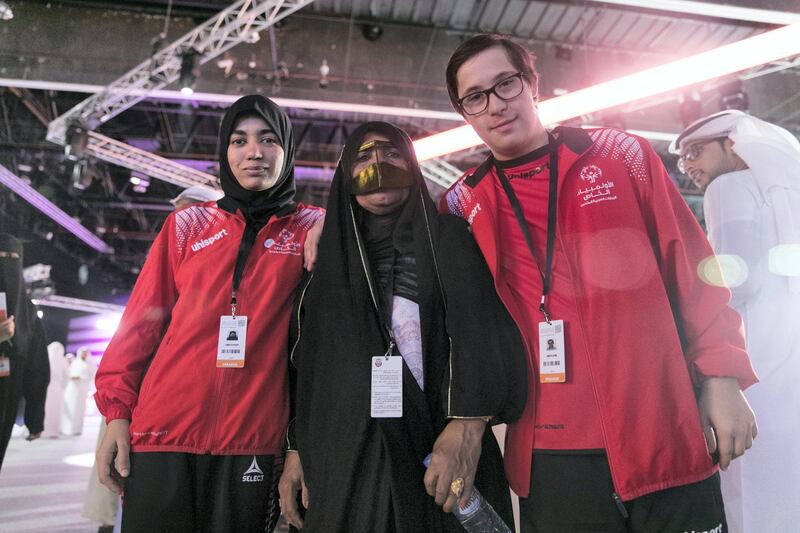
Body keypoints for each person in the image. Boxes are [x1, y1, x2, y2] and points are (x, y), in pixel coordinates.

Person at [439, 34, 759, 532]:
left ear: (532, 85)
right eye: (476, 97)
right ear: (465, 113)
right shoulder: (462, 205)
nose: (496, 105)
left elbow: (695, 269)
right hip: (552, 456)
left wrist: (721, 377)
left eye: (506, 84)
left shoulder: (620, 155)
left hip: (663, 431)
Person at [278, 122, 527, 532]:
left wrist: (467, 424)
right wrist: (296, 449)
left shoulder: (447, 239)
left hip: (437, 458)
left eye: (393, 154)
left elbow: (480, 336)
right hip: (344, 466)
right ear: (345, 175)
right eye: (362, 156)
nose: (379, 165)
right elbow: (304, 370)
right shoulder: (322, 270)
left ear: (412, 164)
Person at [93, 94, 324, 533]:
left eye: (268, 139)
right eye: (239, 140)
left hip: (252, 439)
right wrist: (117, 414)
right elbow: (138, 328)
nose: (253, 151)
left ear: (287, 150)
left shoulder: (311, 227)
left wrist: (336, 224)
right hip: (161, 433)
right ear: (225, 152)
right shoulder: (186, 226)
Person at [672, 110, 800, 533]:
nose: (688, 164)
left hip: (751, 353)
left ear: (733, 145)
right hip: (788, 350)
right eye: (682, 157)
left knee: (750, 484)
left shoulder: (728, 186)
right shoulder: (776, 191)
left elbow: (734, 281)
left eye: (696, 150)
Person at [0, 233, 49, 471]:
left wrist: (34, 419)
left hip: (5, 404)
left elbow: (38, 368)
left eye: (10, 259)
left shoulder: (27, 313)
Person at [61, 345, 94, 435]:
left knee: (78, 409)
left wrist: (81, 378)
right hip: (71, 388)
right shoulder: (75, 362)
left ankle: (76, 429)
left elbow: (92, 376)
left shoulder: (89, 364)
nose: (84, 354)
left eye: (85, 353)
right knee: (70, 408)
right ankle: (66, 428)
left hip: (82, 389)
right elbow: (68, 373)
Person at [42, 341, 68, 438]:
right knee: (49, 410)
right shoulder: (62, 361)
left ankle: (47, 431)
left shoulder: (46, 359)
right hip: (55, 389)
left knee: (50, 410)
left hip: (49, 388)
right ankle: (48, 431)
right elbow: (66, 376)